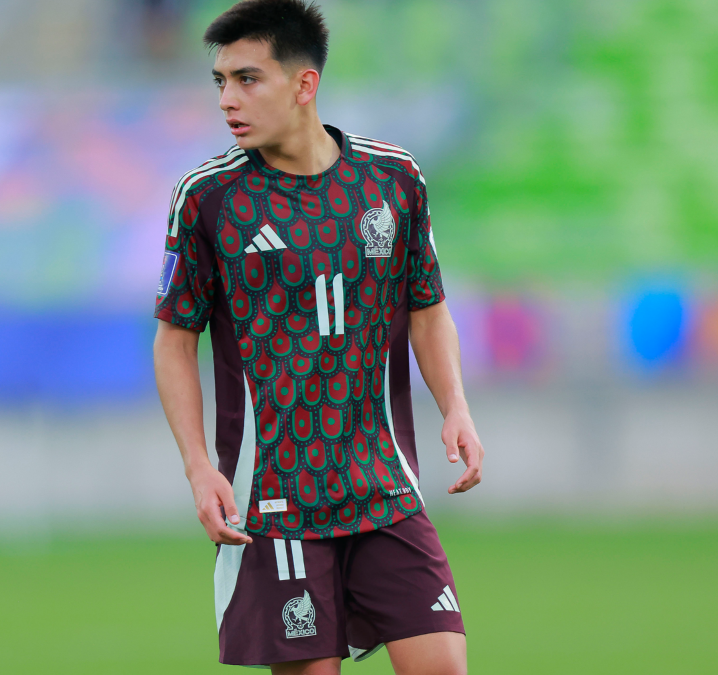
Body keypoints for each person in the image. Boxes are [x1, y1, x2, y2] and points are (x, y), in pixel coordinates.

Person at [152, 1, 483, 673]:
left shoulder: (392, 180)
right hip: (275, 502)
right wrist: (198, 464)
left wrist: (455, 405)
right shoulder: (208, 198)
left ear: (305, 85)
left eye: (247, 79)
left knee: (444, 664)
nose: (227, 99)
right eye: (219, 81)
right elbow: (174, 338)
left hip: (383, 487)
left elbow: (427, 306)